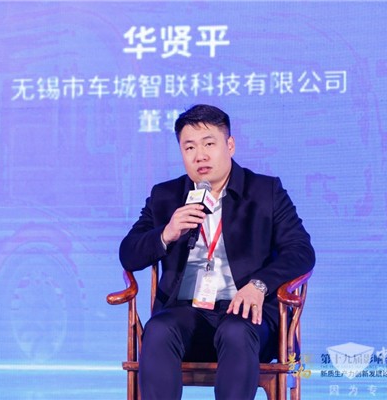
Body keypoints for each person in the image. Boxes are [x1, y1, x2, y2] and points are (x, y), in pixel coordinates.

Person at [119, 104, 315, 400]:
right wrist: (166, 233)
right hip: (185, 314)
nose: (200, 155)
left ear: (230, 145)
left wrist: (259, 285)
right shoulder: (166, 196)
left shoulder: (265, 192)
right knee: (158, 329)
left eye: (209, 144)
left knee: (236, 331)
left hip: (246, 314)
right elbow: (128, 254)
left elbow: (301, 251)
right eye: (189, 147)